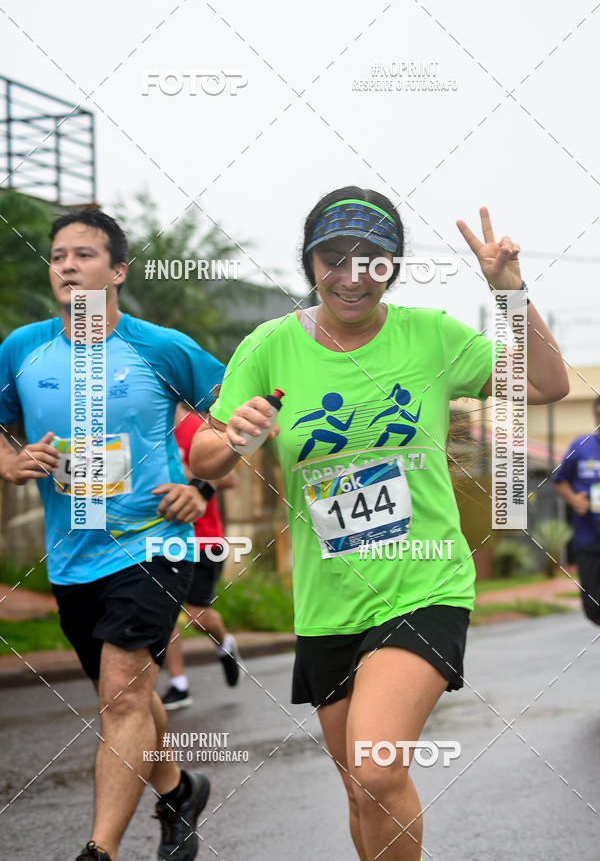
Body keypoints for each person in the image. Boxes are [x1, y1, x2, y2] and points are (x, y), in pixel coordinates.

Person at [188, 186, 569, 860]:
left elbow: (546, 384)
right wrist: (235, 433)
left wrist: (510, 292)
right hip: (327, 601)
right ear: (309, 263)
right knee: (361, 790)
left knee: (375, 768)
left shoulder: (431, 335)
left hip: (425, 584)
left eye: (372, 260)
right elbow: (205, 456)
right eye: (333, 259)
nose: (352, 276)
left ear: (394, 265)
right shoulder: (269, 346)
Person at [0, 209, 225, 861]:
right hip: (73, 555)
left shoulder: (163, 347)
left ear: (118, 270)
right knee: (125, 694)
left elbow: (237, 416)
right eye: (58, 256)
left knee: (123, 693)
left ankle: (100, 850)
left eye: (84, 255)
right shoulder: (21, 349)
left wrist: (202, 486)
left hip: (156, 541)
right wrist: (10, 460)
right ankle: (178, 790)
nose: (67, 266)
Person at [161, 403, 241, 711]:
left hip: (203, 539)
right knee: (163, 612)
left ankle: (225, 644)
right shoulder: (148, 428)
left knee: (196, 615)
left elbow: (230, 479)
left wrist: (179, 472)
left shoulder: (197, 426)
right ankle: (179, 685)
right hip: (160, 538)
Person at [553, 396, 600, 624]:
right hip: (588, 538)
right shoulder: (580, 446)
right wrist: (573, 499)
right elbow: (560, 480)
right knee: (593, 608)